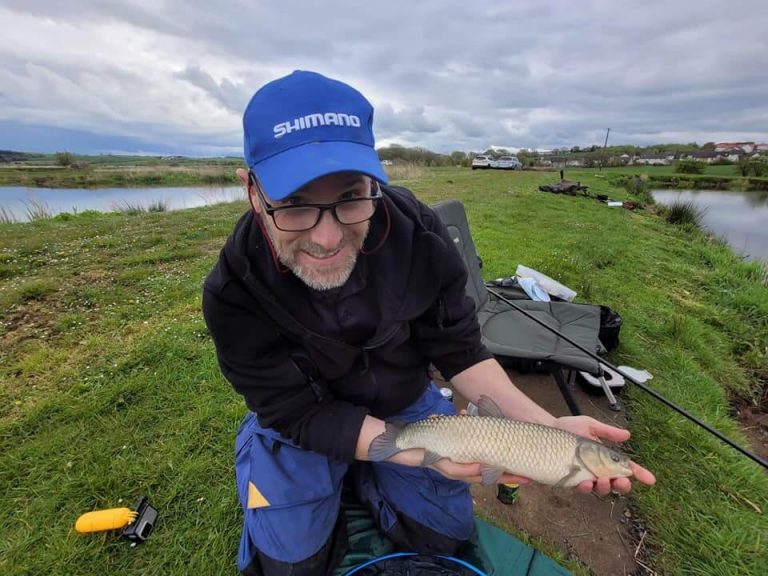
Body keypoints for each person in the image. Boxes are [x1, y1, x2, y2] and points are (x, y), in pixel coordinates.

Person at [202, 70, 655, 576]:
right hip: (305, 419)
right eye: (292, 204)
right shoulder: (233, 290)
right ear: (250, 189)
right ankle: (327, 474)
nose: (326, 239)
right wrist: (406, 453)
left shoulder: (418, 233)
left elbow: (461, 352)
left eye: (352, 196)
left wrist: (545, 430)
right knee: (292, 566)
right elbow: (293, 411)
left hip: (406, 403)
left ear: (374, 180)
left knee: (440, 537)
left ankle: (365, 473)